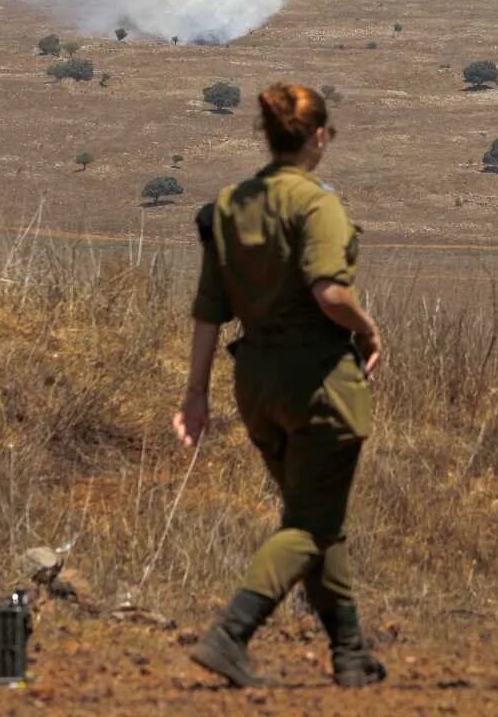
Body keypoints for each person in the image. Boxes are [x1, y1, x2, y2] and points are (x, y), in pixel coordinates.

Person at [173, 82, 385, 688]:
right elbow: (330, 293)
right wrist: (369, 332)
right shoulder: (318, 205)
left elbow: (209, 309)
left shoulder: (229, 203)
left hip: (255, 385)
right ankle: (230, 634)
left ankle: (350, 653)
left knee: (315, 515)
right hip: (318, 383)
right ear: (318, 136)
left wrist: (196, 393)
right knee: (310, 524)